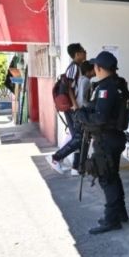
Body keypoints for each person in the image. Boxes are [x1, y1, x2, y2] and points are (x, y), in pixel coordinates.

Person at [75, 51, 129, 235]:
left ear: (98, 68)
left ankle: (111, 220)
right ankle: (120, 214)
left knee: (107, 179)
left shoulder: (106, 88)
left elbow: (101, 117)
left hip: (106, 139)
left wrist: (82, 116)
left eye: (95, 67)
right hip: (114, 137)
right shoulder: (118, 84)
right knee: (113, 175)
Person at [47, 43, 86, 174]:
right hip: (71, 108)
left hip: (71, 107)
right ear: (77, 54)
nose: (85, 53)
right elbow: (68, 87)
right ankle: (55, 158)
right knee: (78, 138)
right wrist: (74, 105)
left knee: (77, 138)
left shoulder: (77, 67)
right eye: (83, 51)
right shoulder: (74, 67)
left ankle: (75, 168)